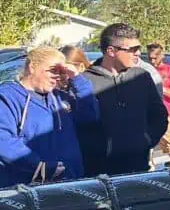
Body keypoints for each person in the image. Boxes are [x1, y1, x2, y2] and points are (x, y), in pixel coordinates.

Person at [76, 23, 167, 176]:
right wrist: (106, 147)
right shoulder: (85, 82)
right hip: (97, 174)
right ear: (111, 51)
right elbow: (79, 128)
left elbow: (159, 116)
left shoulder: (142, 77)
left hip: (139, 169)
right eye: (131, 49)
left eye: (138, 48)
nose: (138, 53)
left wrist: (146, 140)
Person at [0, 47, 99, 187]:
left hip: (69, 183)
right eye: (53, 70)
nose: (57, 76)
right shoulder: (8, 96)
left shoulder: (59, 97)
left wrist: (77, 79)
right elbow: (3, 141)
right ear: (32, 67)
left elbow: (89, 117)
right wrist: (42, 167)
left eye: (61, 71)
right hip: (26, 188)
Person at [147, 43, 170, 168]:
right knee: (146, 151)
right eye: (150, 58)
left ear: (162, 55)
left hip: (167, 115)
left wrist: (160, 89)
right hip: (146, 117)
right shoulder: (144, 71)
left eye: (155, 57)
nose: (152, 61)